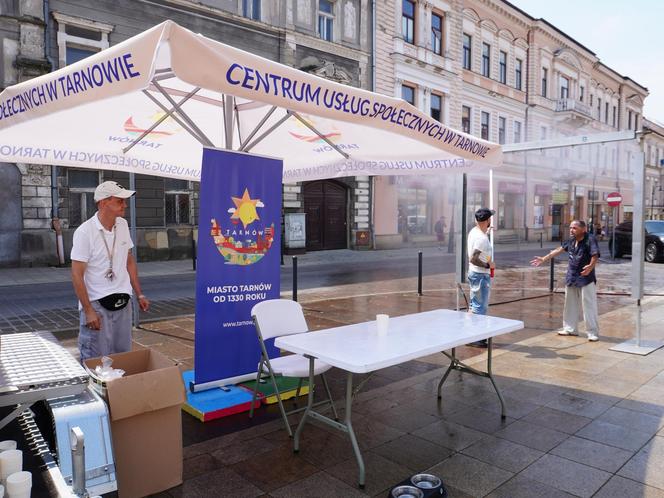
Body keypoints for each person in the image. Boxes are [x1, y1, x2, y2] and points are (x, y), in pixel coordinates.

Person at [71, 181, 150, 361]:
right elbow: (76, 274)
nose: (125, 205)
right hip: (97, 304)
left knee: (123, 356)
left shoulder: (122, 224)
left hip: (123, 301)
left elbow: (128, 260)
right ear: (104, 202)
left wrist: (139, 294)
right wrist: (88, 310)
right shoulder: (85, 232)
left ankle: (118, 389)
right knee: (95, 359)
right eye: (120, 201)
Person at [530, 220, 600, 341]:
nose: (571, 230)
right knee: (570, 304)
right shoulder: (571, 240)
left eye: (575, 228)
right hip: (572, 276)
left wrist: (590, 266)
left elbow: (595, 255)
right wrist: (544, 258)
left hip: (586, 277)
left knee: (589, 305)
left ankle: (592, 332)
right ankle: (570, 329)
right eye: (571, 228)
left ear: (583, 229)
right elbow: (559, 249)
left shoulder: (590, 239)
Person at [467, 208, 495, 347]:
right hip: (480, 275)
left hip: (474, 273)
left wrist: (487, 232)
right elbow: (474, 258)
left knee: (473, 305)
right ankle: (476, 338)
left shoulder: (474, 231)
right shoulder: (481, 239)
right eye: (490, 219)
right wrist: (488, 265)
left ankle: (470, 334)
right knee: (480, 307)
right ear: (488, 220)